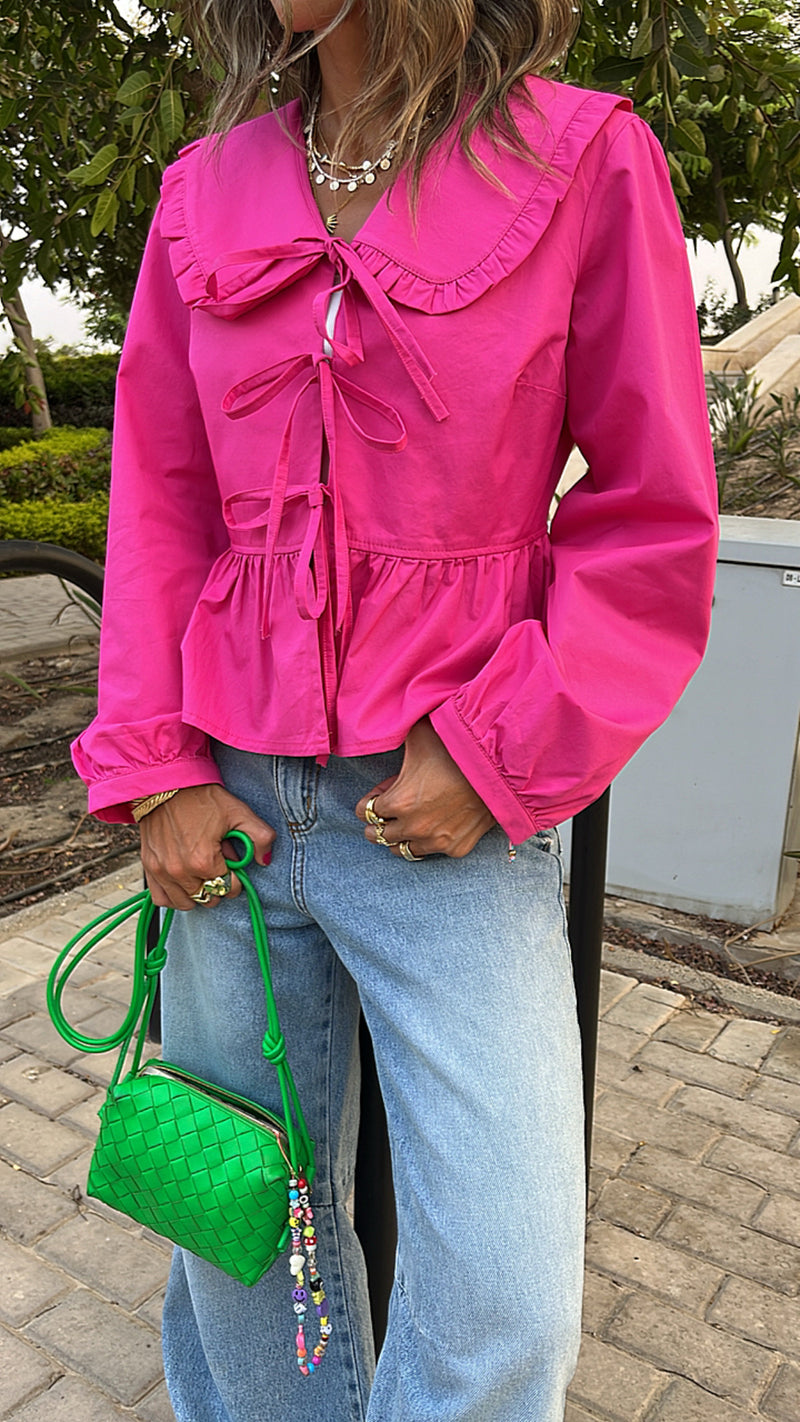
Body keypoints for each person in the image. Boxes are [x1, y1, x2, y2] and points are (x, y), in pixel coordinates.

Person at [71, 0, 719, 1416]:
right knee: (233, 1232)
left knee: (503, 1295)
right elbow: (160, 503)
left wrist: (500, 751)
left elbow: (651, 522)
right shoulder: (205, 191)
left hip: (447, 822)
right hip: (227, 818)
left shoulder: (583, 160)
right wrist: (160, 766)